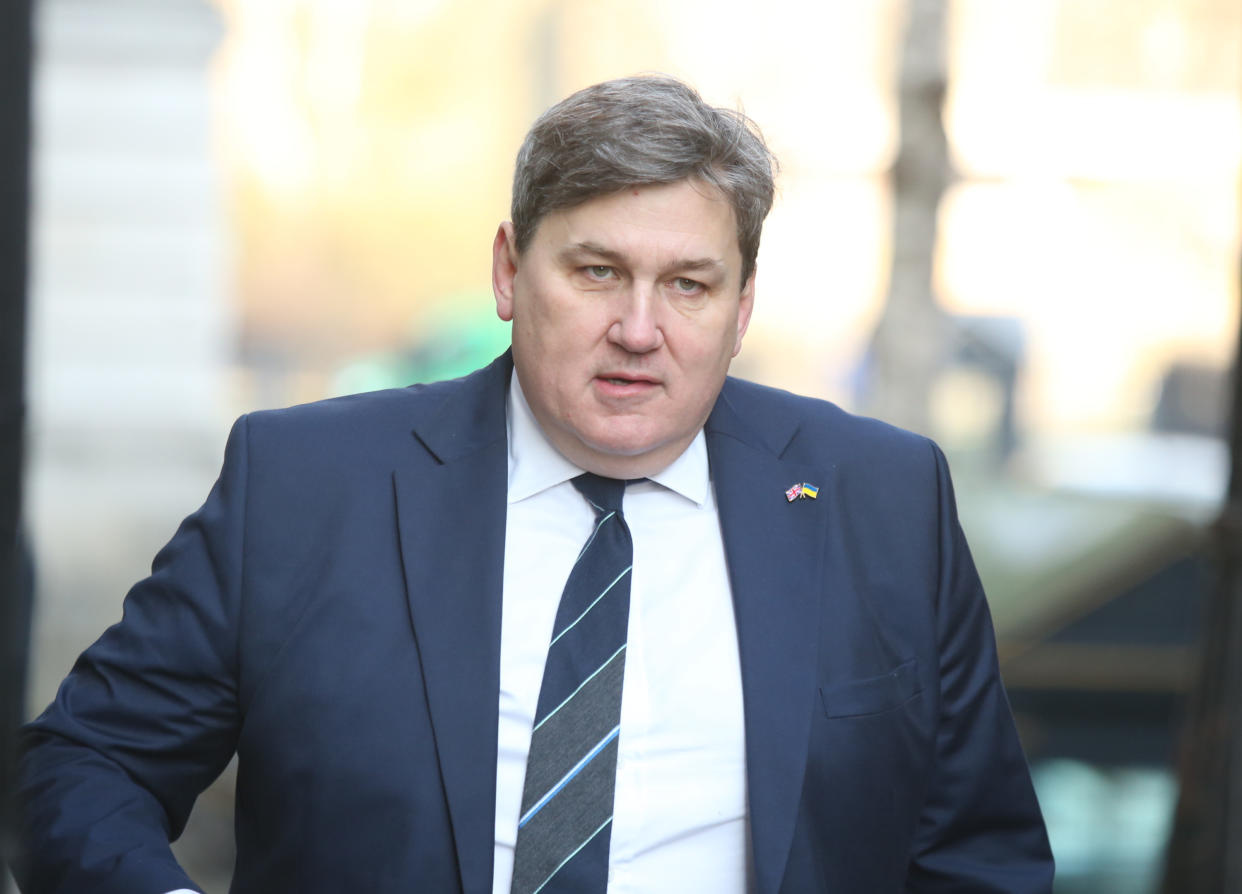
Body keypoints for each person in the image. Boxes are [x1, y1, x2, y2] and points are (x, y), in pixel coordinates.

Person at [14, 75, 1053, 893]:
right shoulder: (307, 488)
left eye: (688, 284)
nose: (639, 330)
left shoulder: (880, 501)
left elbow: (977, 855)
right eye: (597, 271)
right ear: (511, 272)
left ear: (741, 309)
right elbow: (81, 764)